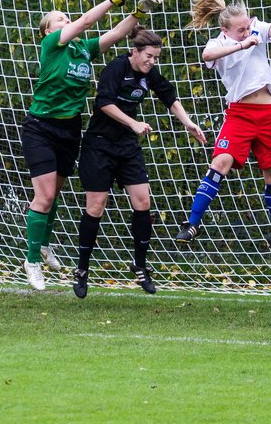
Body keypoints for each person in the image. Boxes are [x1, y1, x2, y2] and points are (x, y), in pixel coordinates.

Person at [20, 0, 146, 290]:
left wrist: (139, 13)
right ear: (49, 31)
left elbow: (116, 34)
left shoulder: (82, 50)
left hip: (70, 128)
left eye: (66, 16)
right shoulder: (52, 46)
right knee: (45, 196)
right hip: (40, 127)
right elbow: (88, 19)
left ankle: (43, 244)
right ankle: (31, 260)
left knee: (54, 193)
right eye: (59, 19)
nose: (66, 19)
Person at [174, 0, 271, 264]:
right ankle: (192, 223)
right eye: (241, 29)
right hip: (239, 114)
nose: (247, 31)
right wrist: (242, 44)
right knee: (220, 162)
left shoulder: (257, 28)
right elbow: (207, 54)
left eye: (248, 26)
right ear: (226, 30)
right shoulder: (219, 42)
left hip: (268, 114)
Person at [72, 28, 206, 298]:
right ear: (135, 52)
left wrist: (189, 123)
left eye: (156, 58)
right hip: (99, 145)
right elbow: (103, 103)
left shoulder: (149, 74)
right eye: (149, 56)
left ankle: (140, 265)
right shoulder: (116, 68)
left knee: (143, 202)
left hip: (127, 146)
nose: (152, 62)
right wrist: (133, 123)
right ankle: (82, 269)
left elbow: (170, 97)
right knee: (96, 207)